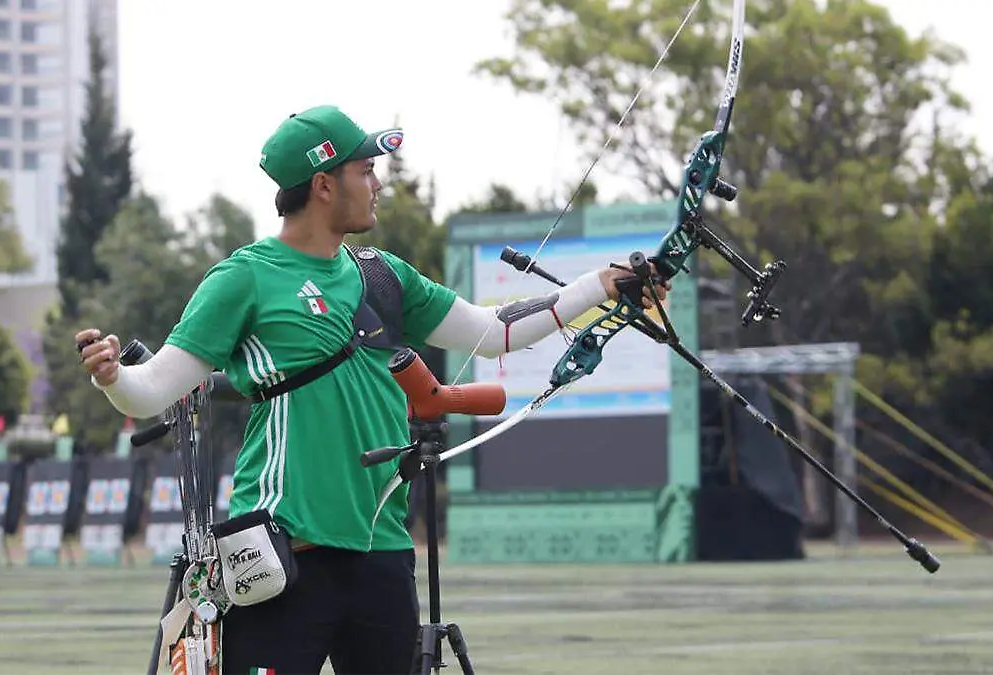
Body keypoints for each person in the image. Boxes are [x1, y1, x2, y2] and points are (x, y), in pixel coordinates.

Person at [76, 104, 668, 674]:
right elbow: (152, 391)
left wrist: (599, 285)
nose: (377, 183)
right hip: (284, 547)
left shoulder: (383, 274)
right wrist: (113, 378)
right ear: (324, 184)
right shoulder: (244, 278)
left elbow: (494, 332)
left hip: (382, 546)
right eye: (365, 170)